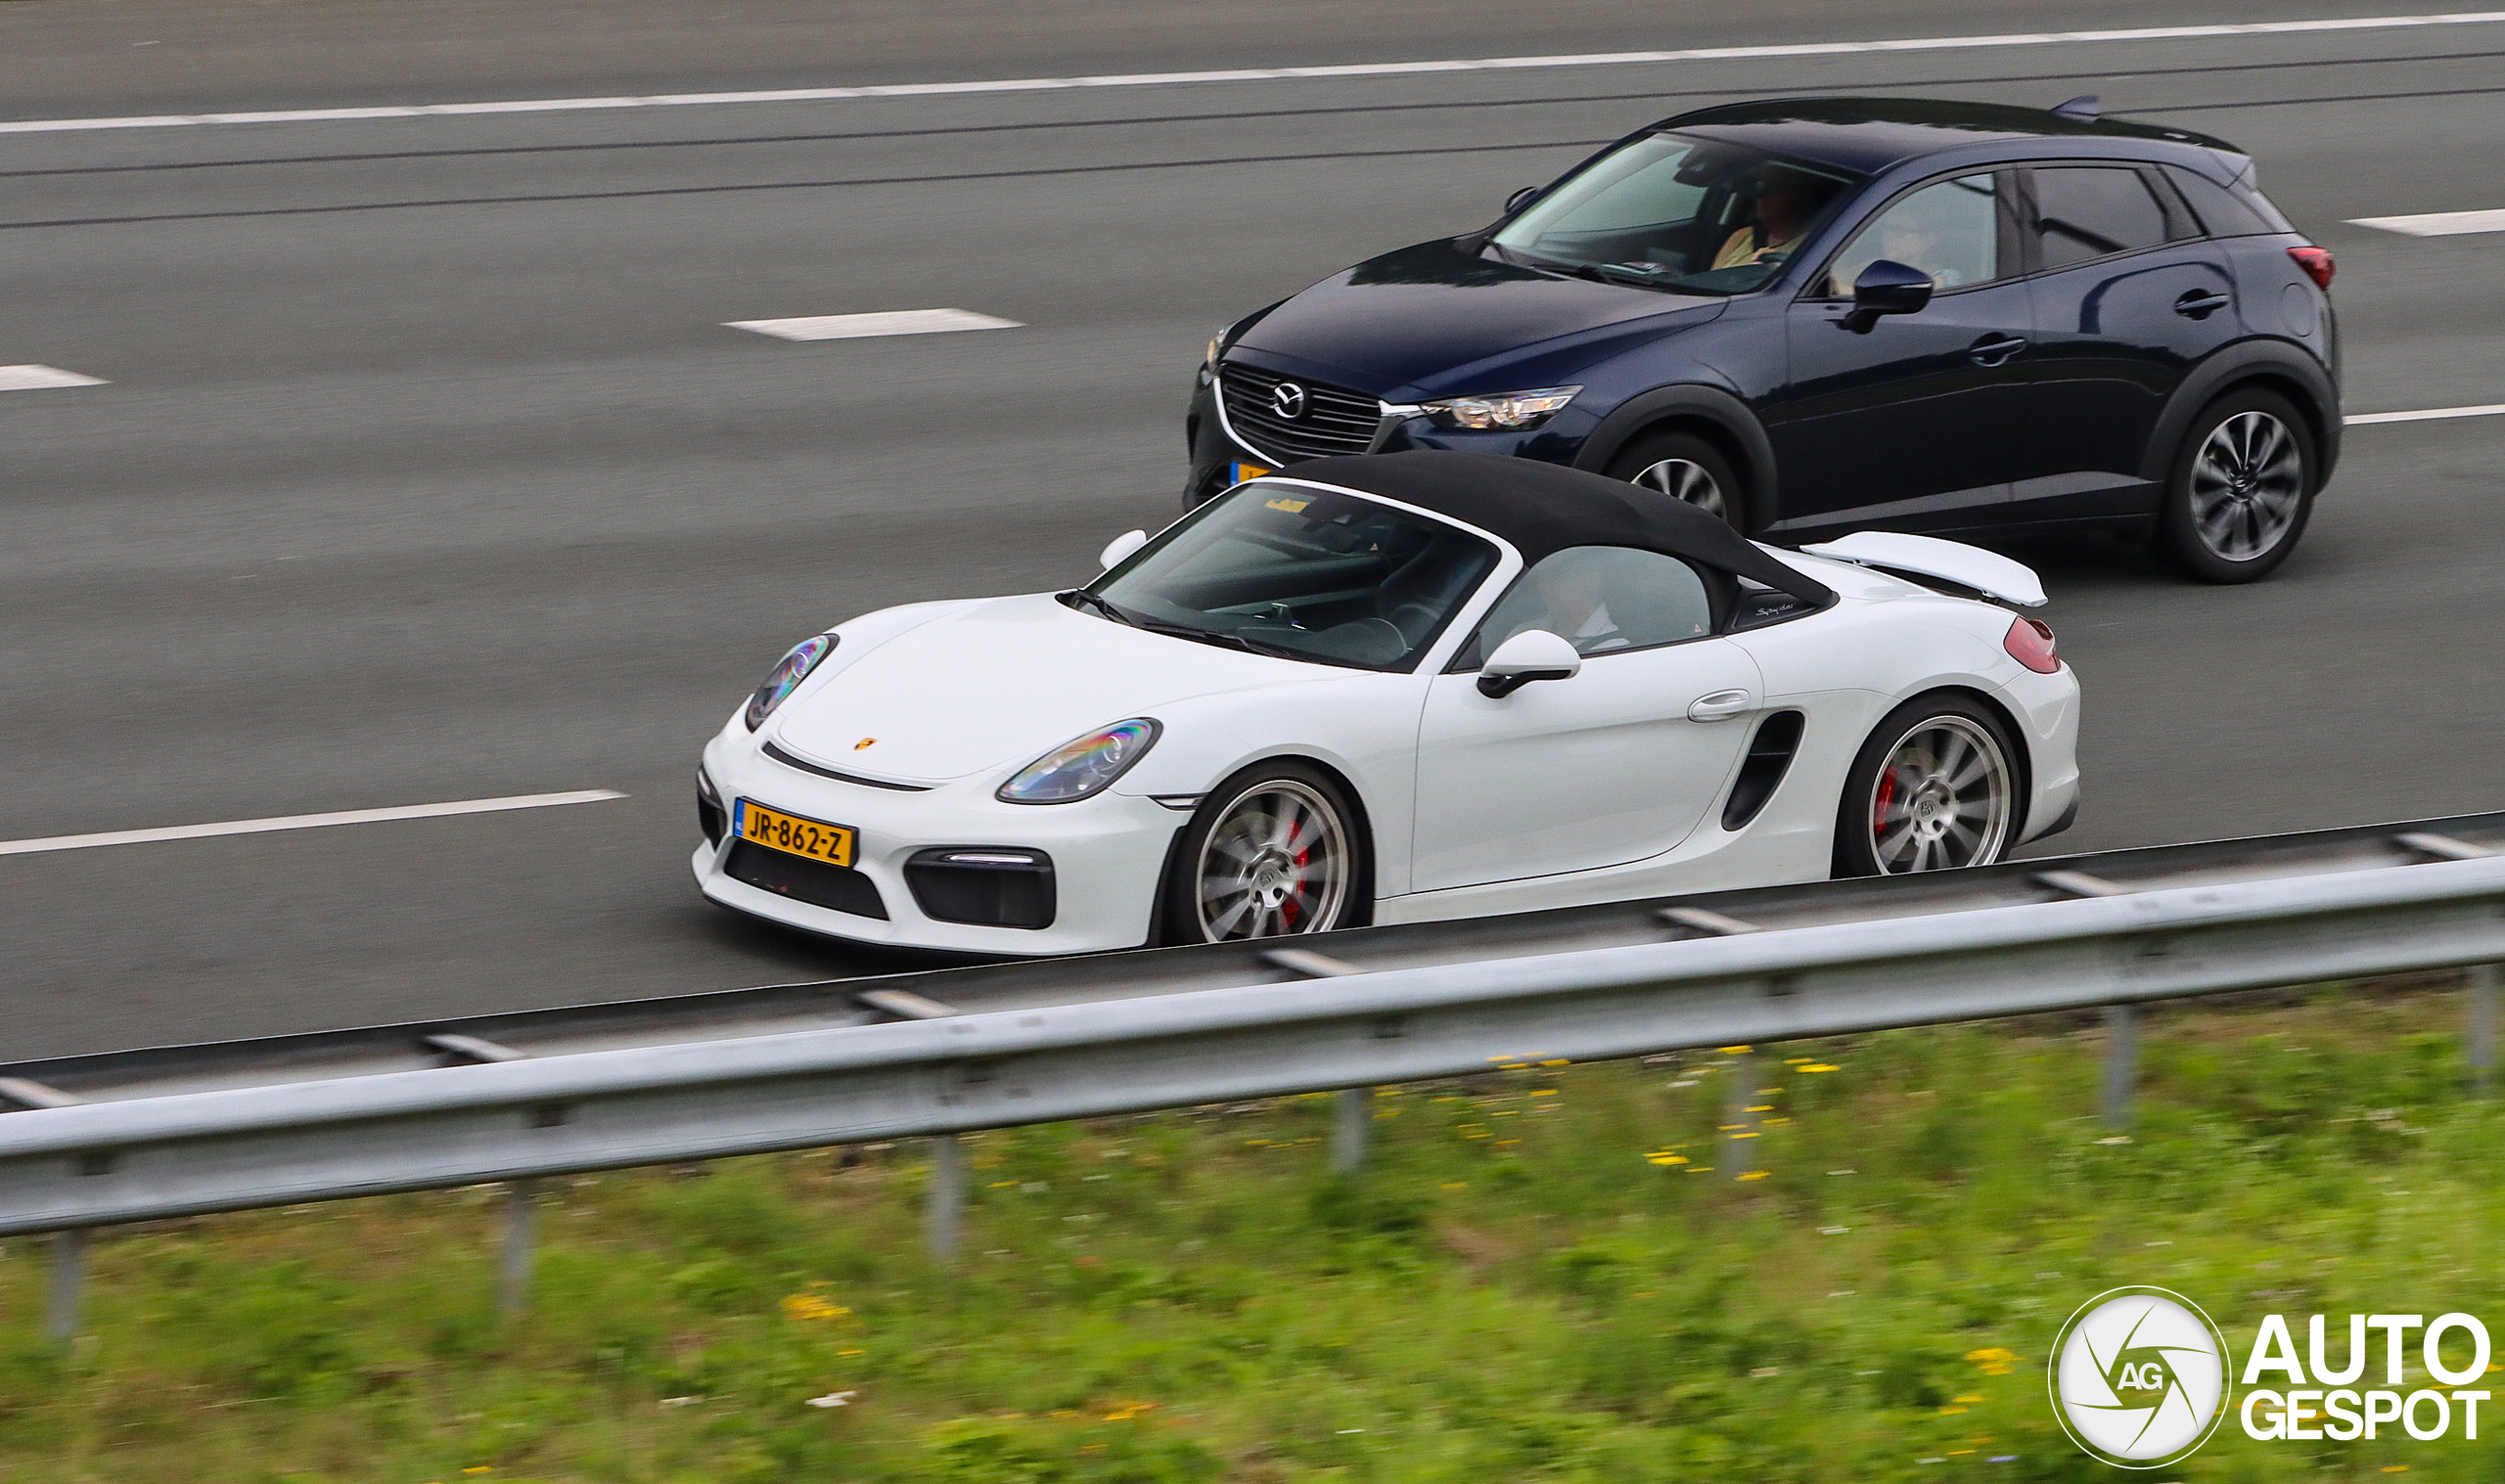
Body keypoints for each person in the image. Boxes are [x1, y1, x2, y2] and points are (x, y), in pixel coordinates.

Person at [1711, 165, 1819, 273]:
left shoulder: (1813, 247)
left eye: (1772, 188)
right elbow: (1711, 281)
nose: (1762, 195)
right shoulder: (1741, 236)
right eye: (1761, 186)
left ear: (1798, 198)